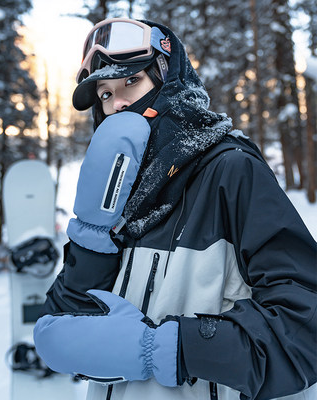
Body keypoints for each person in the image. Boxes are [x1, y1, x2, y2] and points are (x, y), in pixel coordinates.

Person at [34, 18, 317, 400]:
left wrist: (170, 349)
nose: (117, 104)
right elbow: (72, 322)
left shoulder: (231, 170)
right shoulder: (118, 196)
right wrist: (91, 236)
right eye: (105, 94)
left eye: (132, 82)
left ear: (169, 81)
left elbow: (303, 326)